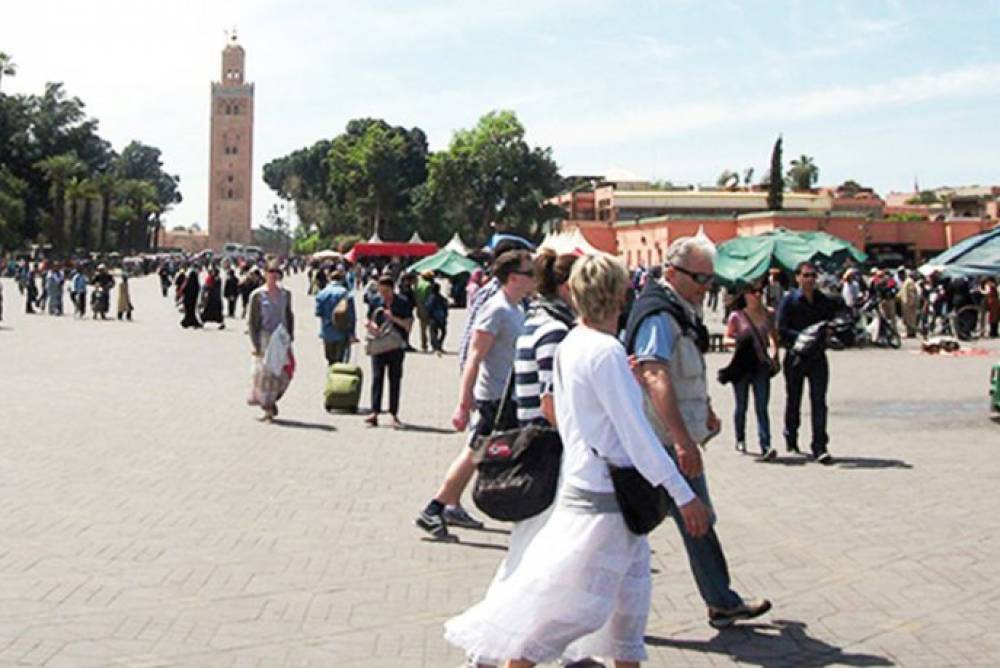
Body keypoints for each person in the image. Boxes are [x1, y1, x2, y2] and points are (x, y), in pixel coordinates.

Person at [444, 254, 711, 668]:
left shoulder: (576, 342)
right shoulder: (603, 351)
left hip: (600, 494)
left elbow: (560, 405)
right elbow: (636, 438)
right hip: (606, 503)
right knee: (568, 617)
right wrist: (683, 494)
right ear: (618, 295)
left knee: (627, 615)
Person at [624, 236, 772, 629]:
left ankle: (720, 600)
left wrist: (702, 410)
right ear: (672, 272)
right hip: (662, 444)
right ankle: (720, 600)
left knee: (662, 523)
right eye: (699, 277)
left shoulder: (681, 312)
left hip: (670, 440)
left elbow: (682, 371)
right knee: (689, 519)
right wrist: (682, 439)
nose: (706, 286)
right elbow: (655, 374)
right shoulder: (659, 315)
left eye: (711, 278)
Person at [415, 249, 534, 541]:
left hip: (508, 398)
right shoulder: (497, 309)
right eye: (531, 273)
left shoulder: (516, 308)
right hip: (494, 399)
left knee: (476, 454)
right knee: (476, 453)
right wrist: (463, 403)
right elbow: (474, 358)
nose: (536, 279)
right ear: (513, 277)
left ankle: (446, 505)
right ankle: (435, 507)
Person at [777, 261, 838, 464]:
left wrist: (830, 331)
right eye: (806, 275)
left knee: (819, 401)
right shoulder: (790, 301)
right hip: (796, 357)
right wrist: (804, 336)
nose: (810, 279)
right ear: (797, 278)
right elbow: (781, 329)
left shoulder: (823, 300)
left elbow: (833, 321)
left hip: (817, 357)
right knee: (794, 398)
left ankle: (819, 445)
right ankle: (791, 435)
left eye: (813, 275)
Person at [724, 283, 780, 459]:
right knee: (741, 406)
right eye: (753, 292)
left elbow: (773, 337)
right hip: (742, 365)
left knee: (762, 406)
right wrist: (739, 342)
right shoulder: (736, 316)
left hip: (761, 365)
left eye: (760, 291)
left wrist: (775, 353)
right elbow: (726, 338)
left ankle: (766, 445)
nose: (757, 295)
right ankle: (740, 438)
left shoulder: (767, 314)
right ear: (745, 295)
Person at [248, 261, 295, 421]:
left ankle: (273, 399)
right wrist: (255, 344)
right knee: (266, 375)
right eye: (271, 271)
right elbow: (253, 322)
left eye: (277, 272)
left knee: (284, 373)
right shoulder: (257, 295)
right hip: (266, 337)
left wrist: (290, 336)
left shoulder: (285, 294)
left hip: (281, 338)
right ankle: (268, 407)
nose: (274, 275)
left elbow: (289, 315)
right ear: (265, 273)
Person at [364, 274, 413, 428]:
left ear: (393, 289)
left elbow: (408, 324)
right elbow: (367, 319)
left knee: (395, 379)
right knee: (377, 378)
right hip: (379, 345)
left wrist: (393, 318)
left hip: (396, 346)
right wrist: (370, 326)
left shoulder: (402, 303)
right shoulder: (375, 301)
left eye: (386, 291)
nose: (383, 295)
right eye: (381, 291)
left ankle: (393, 413)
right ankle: (374, 412)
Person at [315, 269, 356, 365]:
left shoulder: (322, 293)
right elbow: (352, 315)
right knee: (340, 361)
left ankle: (331, 377)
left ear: (329, 278)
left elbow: (318, 312)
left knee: (330, 360)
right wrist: (352, 333)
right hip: (342, 331)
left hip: (327, 331)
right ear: (342, 280)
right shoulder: (346, 293)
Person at [425, 281, 449, 355]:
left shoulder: (431, 297)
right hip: (441, 318)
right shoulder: (441, 298)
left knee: (433, 333)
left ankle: (436, 346)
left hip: (433, 318)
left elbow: (428, 307)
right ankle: (438, 345)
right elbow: (446, 307)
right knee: (443, 332)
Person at [414, 270, 434, 351]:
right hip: (428, 307)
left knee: (422, 328)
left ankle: (424, 345)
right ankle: (434, 344)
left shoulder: (418, 284)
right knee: (432, 327)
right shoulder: (429, 285)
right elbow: (430, 298)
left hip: (419, 306)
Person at [899, 271, 921, 338]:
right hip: (906, 303)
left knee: (910, 319)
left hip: (908, 303)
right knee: (908, 319)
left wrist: (911, 302)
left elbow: (911, 294)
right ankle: (910, 332)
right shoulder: (908, 281)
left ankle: (911, 333)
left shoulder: (909, 282)